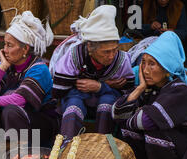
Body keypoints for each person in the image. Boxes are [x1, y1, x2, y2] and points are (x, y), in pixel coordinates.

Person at [111, 31, 187, 159]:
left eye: (152, 64)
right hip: (171, 140)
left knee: (153, 125)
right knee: (131, 126)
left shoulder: (178, 90)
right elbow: (116, 113)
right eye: (144, 62)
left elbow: (146, 121)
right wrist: (140, 88)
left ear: (166, 68)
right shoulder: (150, 88)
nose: (146, 69)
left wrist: (130, 117)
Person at [0, 11, 58, 154]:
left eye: (10, 45)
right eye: (4, 45)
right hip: (11, 121)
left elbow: (19, 100)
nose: (5, 50)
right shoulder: (6, 65)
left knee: (11, 110)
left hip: (40, 124)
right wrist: (2, 68)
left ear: (25, 48)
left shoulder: (39, 69)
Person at [52, 5, 135, 142]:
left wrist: (101, 86)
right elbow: (58, 91)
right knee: (73, 105)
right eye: (106, 52)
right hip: (77, 98)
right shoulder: (74, 56)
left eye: (114, 49)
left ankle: (102, 149)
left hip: (107, 102)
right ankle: (65, 149)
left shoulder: (122, 60)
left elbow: (128, 93)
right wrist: (88, 84)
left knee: (107, 103)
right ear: (90, 47)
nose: (111, 55)